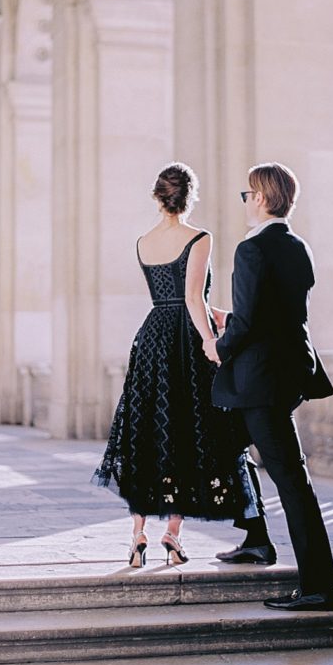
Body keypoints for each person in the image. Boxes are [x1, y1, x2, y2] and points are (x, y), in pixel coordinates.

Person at [93, 162, 260, 568]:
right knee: (186, 429)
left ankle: (137, 537)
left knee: (146, 430)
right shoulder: (199, 237)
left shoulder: (143, 242)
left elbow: (170, 297)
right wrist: (209, 340)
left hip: (151, 338)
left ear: (157, 196)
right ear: (190, 197)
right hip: (184, 340)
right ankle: (172, 535)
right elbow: (192, 299)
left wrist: (206, 318)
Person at [203, 162, 333, 611]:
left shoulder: (251, 249)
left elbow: (252, 317)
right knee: (225, 445)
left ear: (261, 198)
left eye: (247, 195)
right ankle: (257, 538)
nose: (245, 202)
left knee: (292, 481)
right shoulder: (299, 246)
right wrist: (237, 322)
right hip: (291, 369)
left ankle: (319, 587)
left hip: (261, 379)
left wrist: (221, 344)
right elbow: (276, 312)